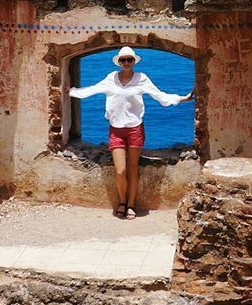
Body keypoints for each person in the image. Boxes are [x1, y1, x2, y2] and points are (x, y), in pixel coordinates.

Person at [68, 46, 193, 219]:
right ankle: (122, 202)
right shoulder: (111, 78)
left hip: (135, 128)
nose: (126, 63)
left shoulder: (142, 78)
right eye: (123, 60)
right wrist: (70, 91)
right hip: (116, 130)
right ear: (119, 62)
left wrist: (182, 98)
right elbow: (92, 89)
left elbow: (159, 95)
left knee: (133, 169)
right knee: (120, 170)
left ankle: (131, 205)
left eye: (129, 60)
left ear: (134, 62)